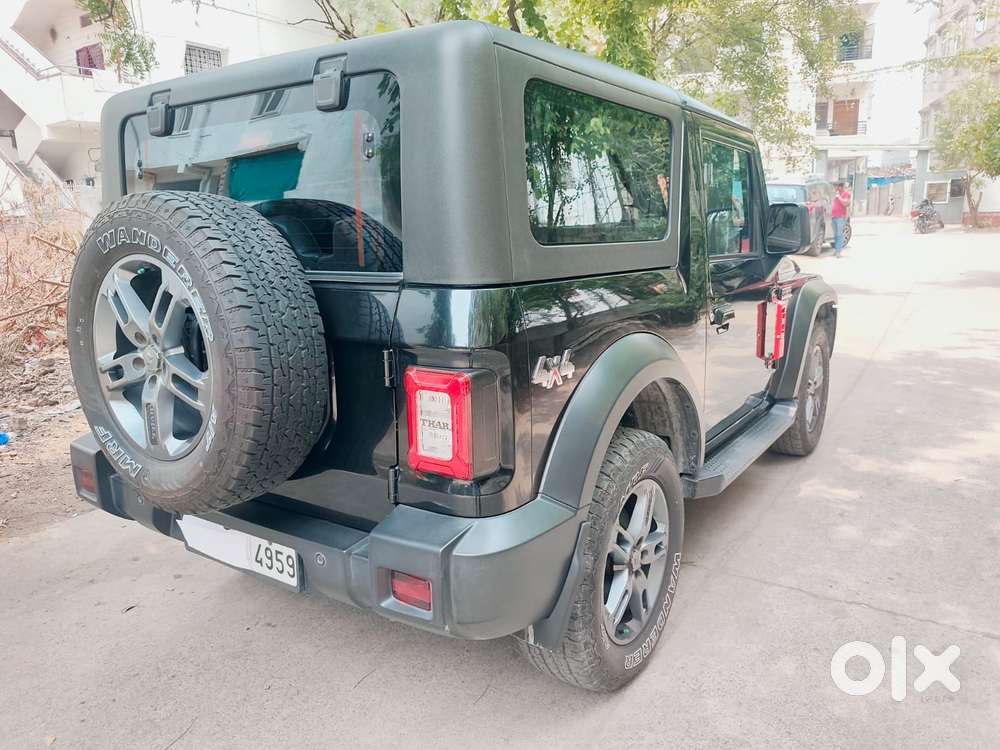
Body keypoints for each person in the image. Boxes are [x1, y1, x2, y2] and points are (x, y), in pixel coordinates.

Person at [832, 181, 851, 258]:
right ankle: (836, 250)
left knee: (839, 234)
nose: (835, 188)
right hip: (833, 216)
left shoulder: (845, 194)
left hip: (840, 217)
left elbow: (845, 203)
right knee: (835, 234)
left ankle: (838, 251)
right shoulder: (835, 194)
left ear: (840, 187)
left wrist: (839, 197)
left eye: (836, 186)